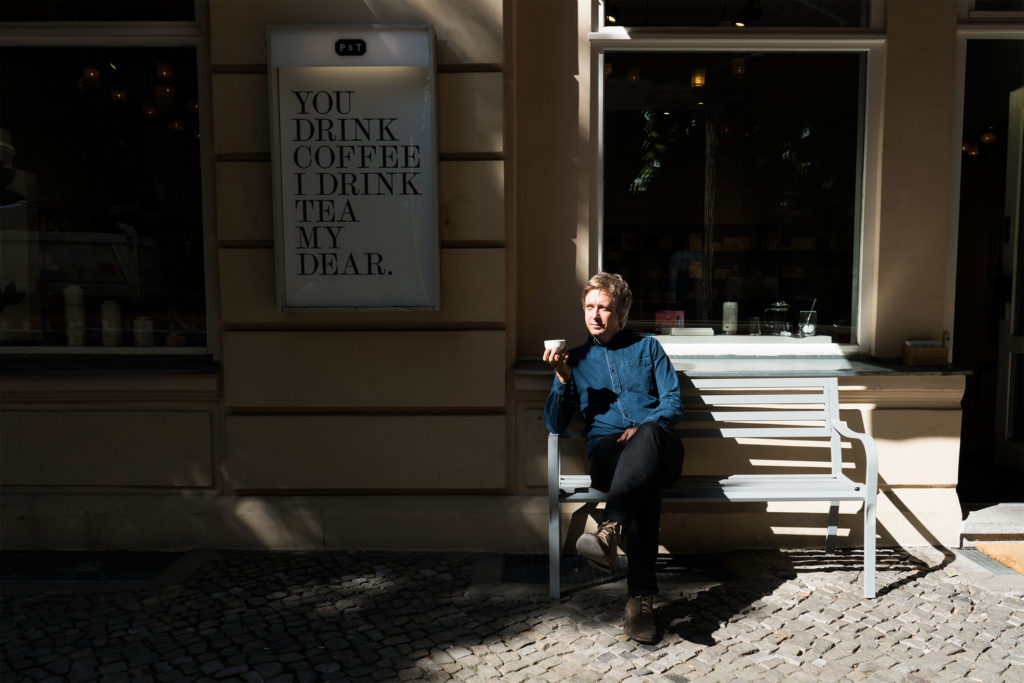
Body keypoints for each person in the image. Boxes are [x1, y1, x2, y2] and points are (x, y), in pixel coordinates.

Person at [543, 272, 684, 644]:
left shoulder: (649, 349)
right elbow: (554, 423)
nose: (595, 315)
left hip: (659, 447)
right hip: (608, 457)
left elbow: (672, 402)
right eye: (589, 307)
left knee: (649, 440)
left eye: (604, 308)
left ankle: (609, 530)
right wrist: (561, 377)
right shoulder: (574, 359)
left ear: (621, 314)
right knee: (641, 480)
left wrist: (644, 428)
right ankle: (640, 600)